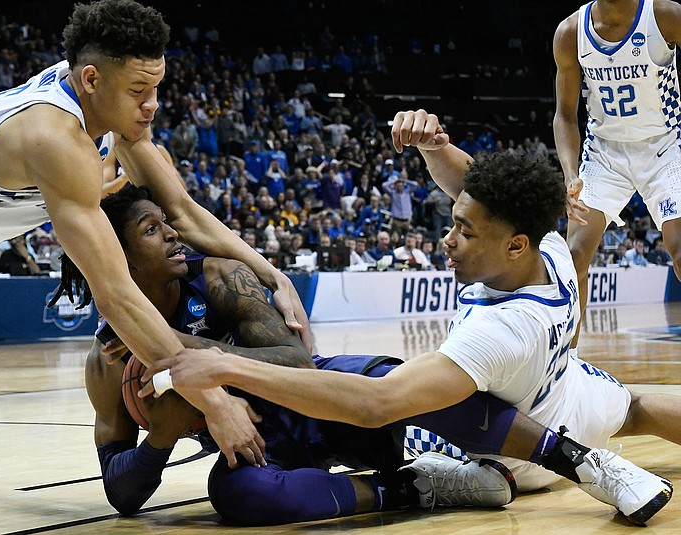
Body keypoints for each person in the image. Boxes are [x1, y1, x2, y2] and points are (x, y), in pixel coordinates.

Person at [152, 110, 678, 526]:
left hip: (499, 454)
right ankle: (587, 456)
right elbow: (485, 191)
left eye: (464, 234)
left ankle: (437, 483)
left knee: (372, 385)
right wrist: (437, 146)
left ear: (516, 244)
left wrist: (224, 365)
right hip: (570, 399)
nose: (447, 240)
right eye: (453, 224)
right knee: (634, 407)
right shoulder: (549, 248)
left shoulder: (496, 330)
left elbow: (375, 405)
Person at [0, 0, 309, 482]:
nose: (153, 104)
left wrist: (275, 276)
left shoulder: (103, 110)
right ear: (91, 79)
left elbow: (183, 212)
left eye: (156, 88)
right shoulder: (56, 138)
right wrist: (213, 401)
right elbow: (116, 293)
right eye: (139, 90)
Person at [68, 185, 516, 524]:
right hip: (259, 447)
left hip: (321, 402)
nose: (171, 234)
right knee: (240, 498)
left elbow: (297, 361)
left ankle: (552, 449)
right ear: (120, 261)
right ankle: (410, 487)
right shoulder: (107, 361)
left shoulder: (223, 277)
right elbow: (121, 494)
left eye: (167, 222)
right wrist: (159, 440)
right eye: (152, 230)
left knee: (399, 387)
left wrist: (180, 345)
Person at [553, 0, 681, 351]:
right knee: (574, 255)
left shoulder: (665, 15)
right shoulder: (570, 33)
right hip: (604, 154)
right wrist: (569, 176)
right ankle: (566, 363)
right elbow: (564, 116)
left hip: (665, 145)